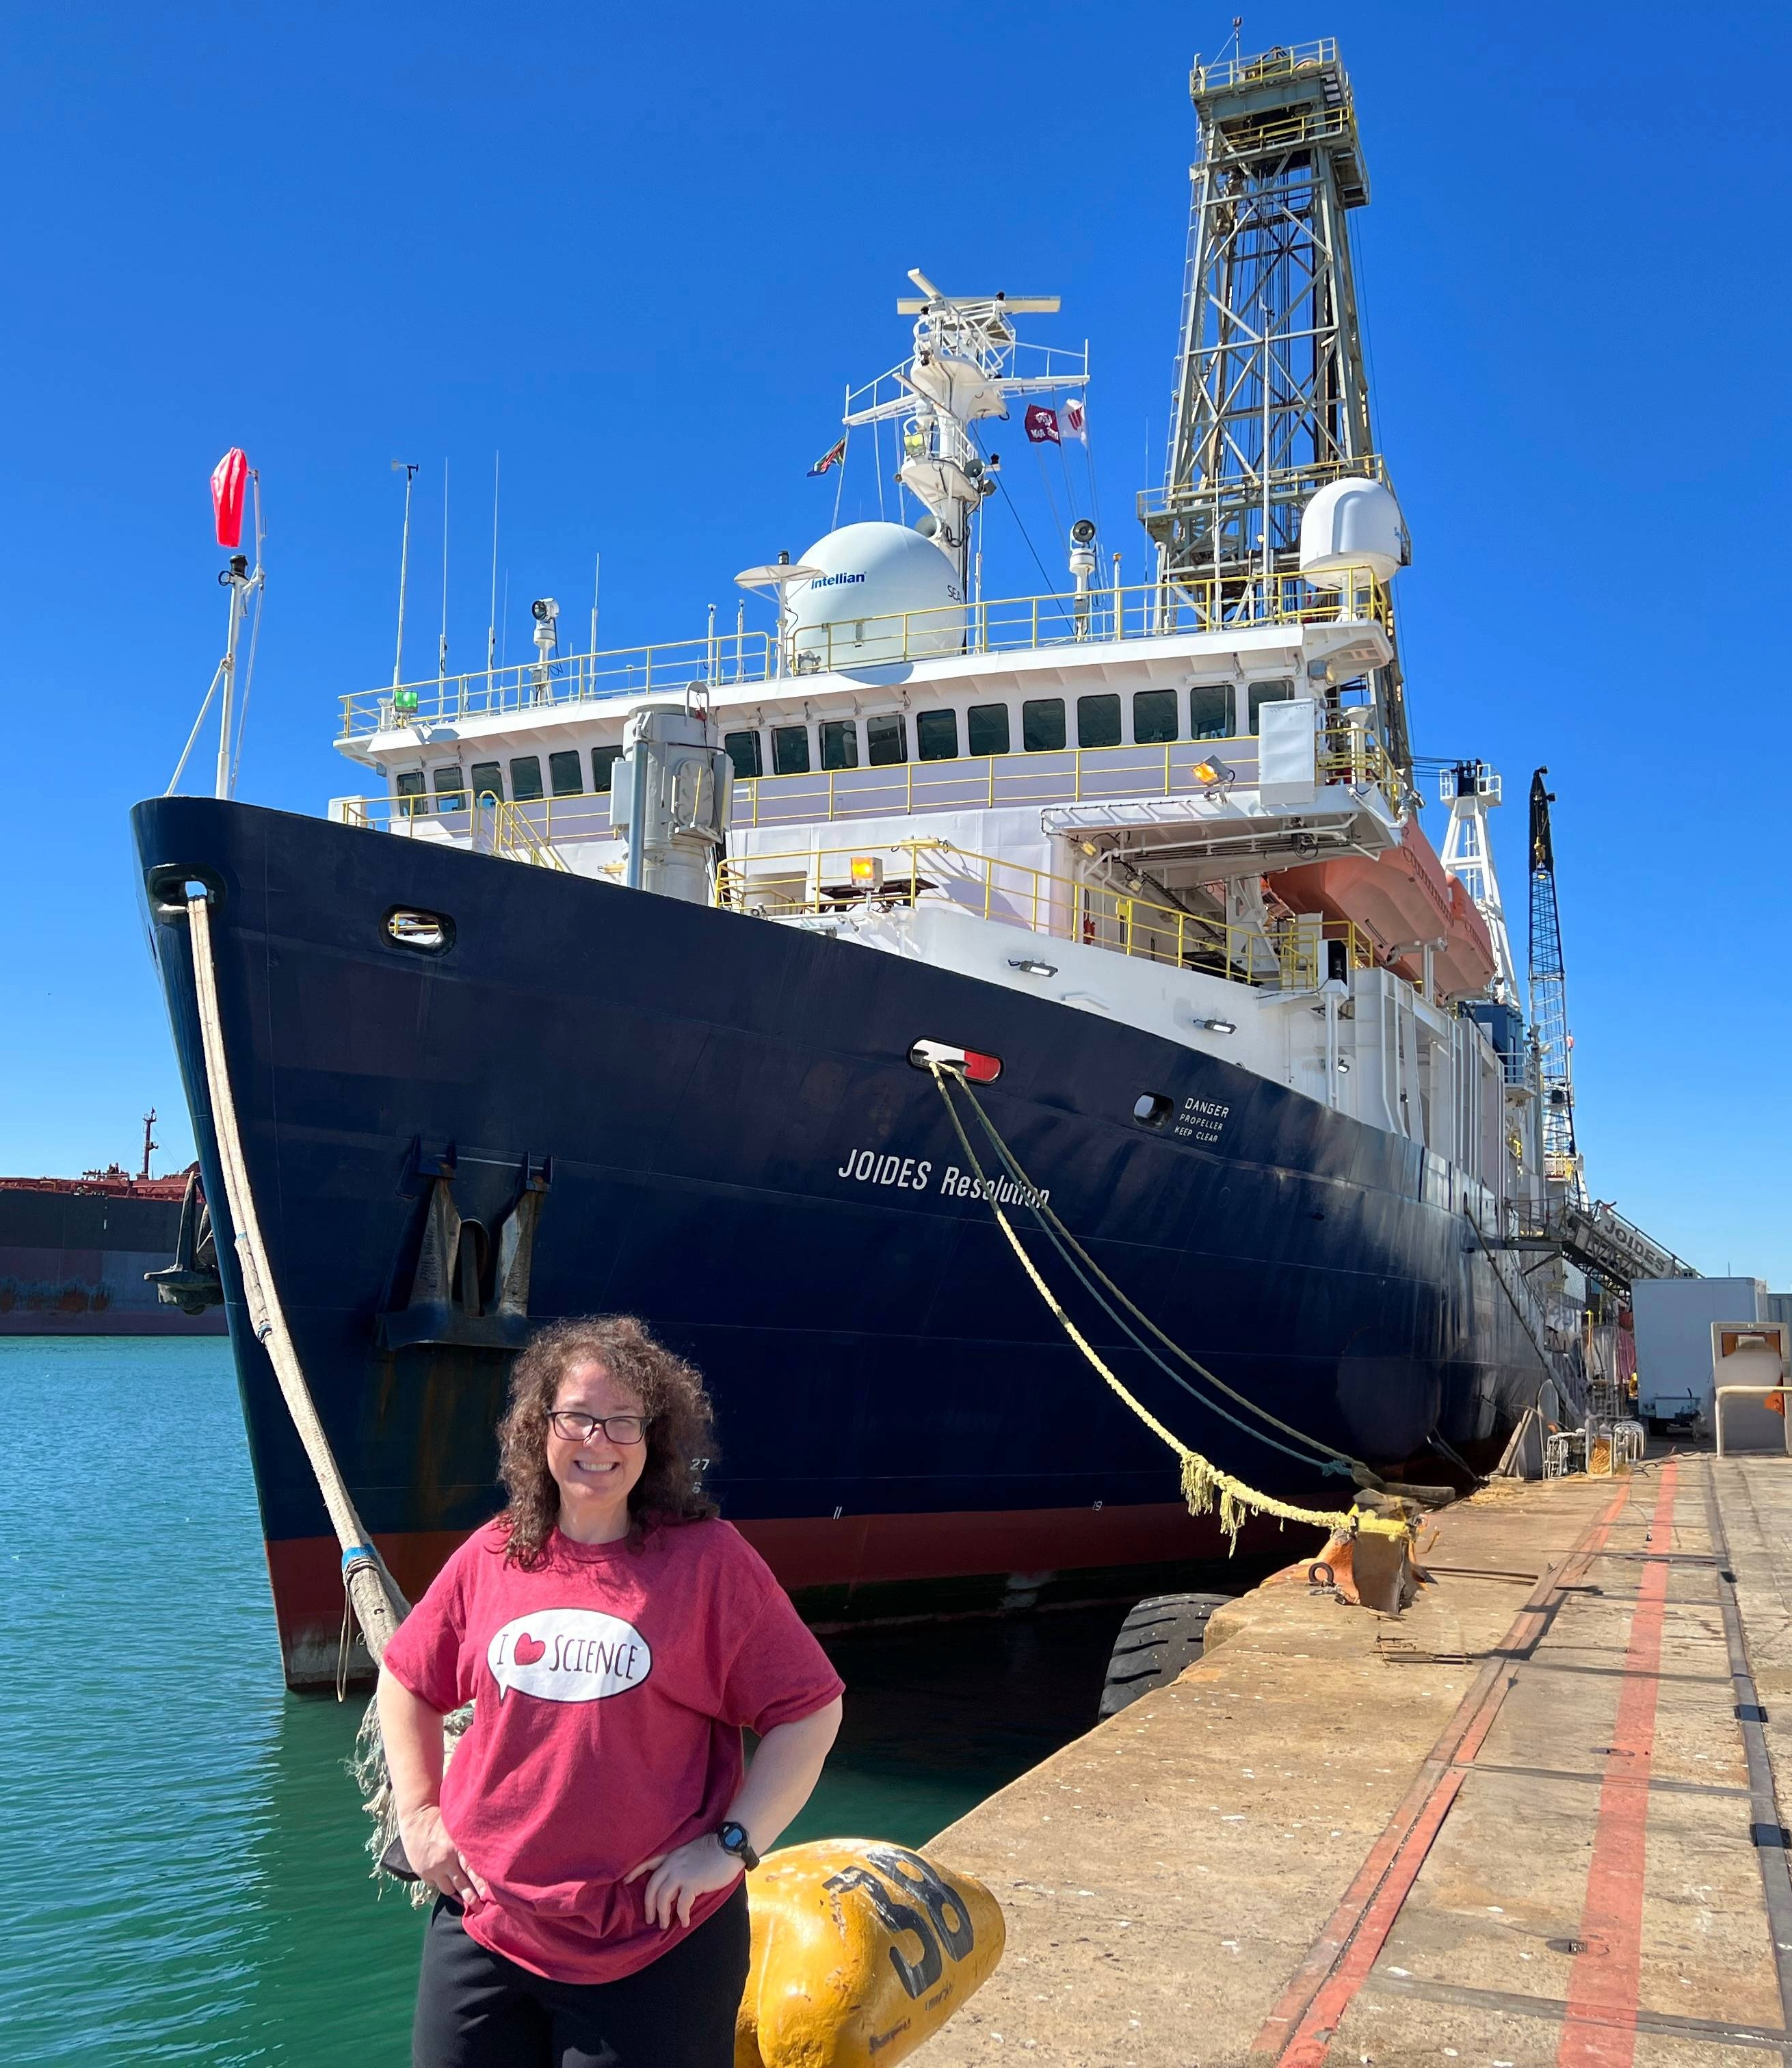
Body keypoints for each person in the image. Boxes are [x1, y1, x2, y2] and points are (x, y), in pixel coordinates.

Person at [378, 1314, 844, 2068]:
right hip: (485, 1923)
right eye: (578, 1417)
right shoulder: (494, 1551)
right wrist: (420, 1812)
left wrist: (732, 1845)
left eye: (622, 1421)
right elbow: (407, 1679)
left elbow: (810, 1709)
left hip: (654, 1942)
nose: (598, 1440)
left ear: (653, 1438)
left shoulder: (708, 1565)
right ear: (541, 1427)